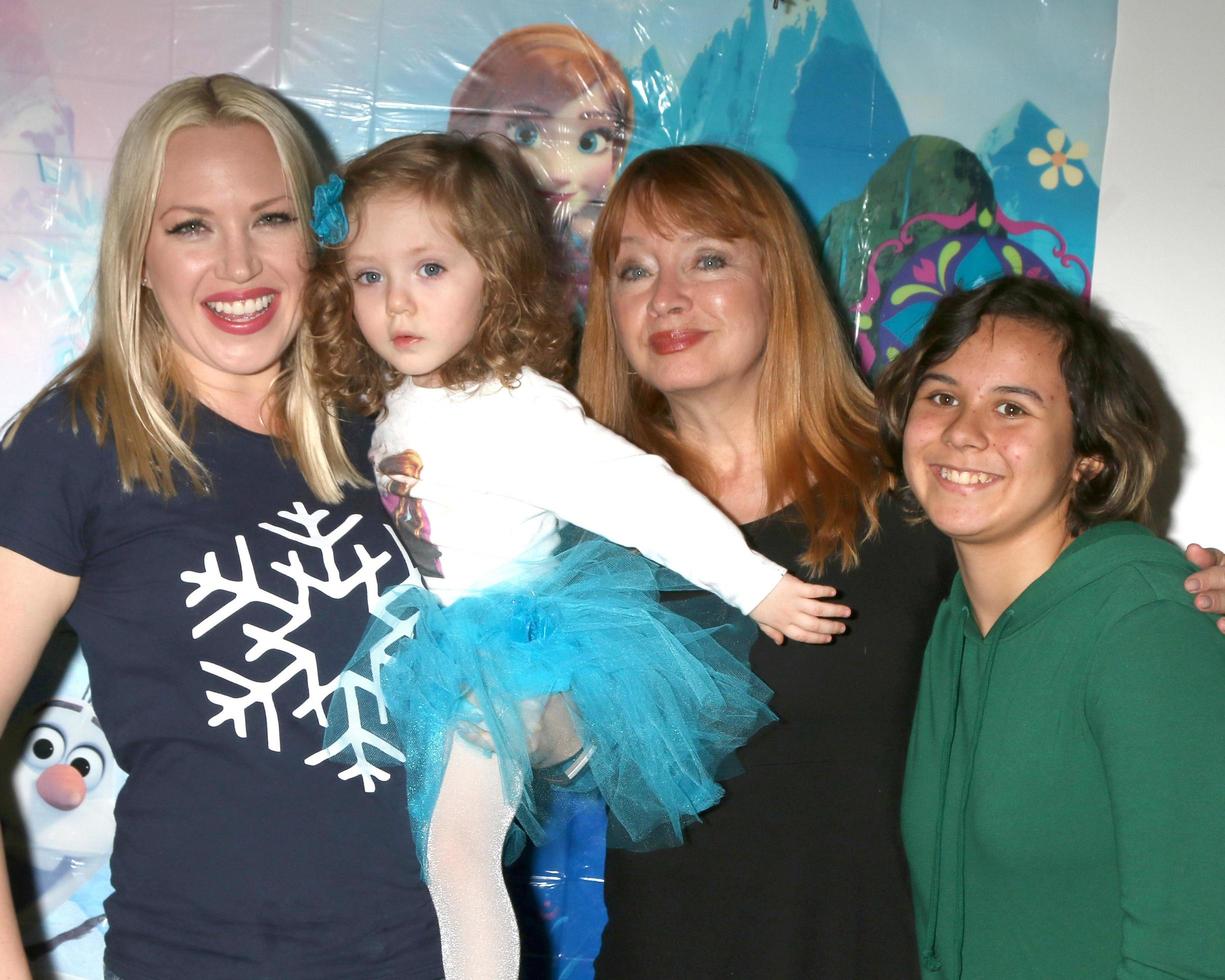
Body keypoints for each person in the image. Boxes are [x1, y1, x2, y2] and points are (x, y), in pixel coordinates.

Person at [576, 144, 1225, 978]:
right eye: (633, 270)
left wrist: (1200, 601)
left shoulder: (919, 503)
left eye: (707, 259)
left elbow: (1083, 599)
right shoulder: (576, 522)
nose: (667, 297)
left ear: (781, 282)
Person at [303, 131, 842, 980]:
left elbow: (639, 491)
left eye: (430, 269)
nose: (397, 304)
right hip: (456, 645)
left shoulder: (515, 409)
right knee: (456, 842)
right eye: (370, 277)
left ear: (496, 272)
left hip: (521, 644)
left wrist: (757, 586)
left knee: (456, 852)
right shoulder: (404, 399)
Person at [0, 75, 442, 979]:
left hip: (435, 952)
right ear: (138, 253)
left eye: (271, 219)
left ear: (320, 239)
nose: (238, 265)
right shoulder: (77, 439)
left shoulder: (400, 421)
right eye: (190, 226)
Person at [876, 276, 1225, 978]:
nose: (961, 432)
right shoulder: (952, 624)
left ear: (1086, 456)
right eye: (941, 396)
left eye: (1011, 407)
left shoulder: (1143, 621)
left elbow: (1187, 953)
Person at [449, 24, 633, 304]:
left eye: (590, 141)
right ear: (473, 127)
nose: (558, 171)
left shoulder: (608, 251)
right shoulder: (451, 237)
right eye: (525, 134)